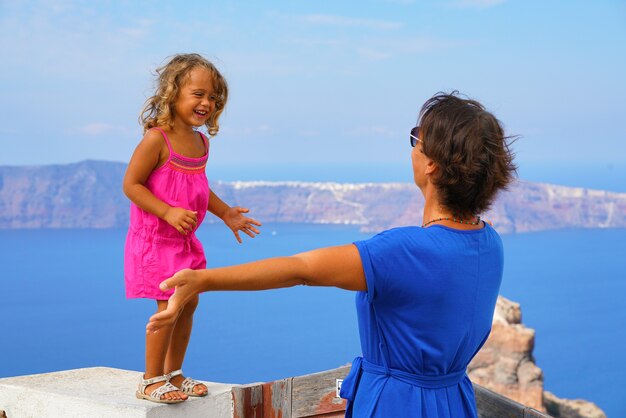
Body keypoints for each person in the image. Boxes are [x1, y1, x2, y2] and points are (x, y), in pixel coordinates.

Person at [146, 91, 517, 417]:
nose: (413, 146)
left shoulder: (404, 251)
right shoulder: (489, 244)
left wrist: (202, 280)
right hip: (454, 402)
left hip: (394, 404)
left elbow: (300, 269)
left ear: (432, 163)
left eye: (417, 138)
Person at [123, 53, 262, 404]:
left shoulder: (201, 143)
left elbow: (198, 187)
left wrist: (226, 213)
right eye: (198, 94)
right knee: (168, 307)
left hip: (184, 240)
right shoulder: (157, 140)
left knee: (189, 303)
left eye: (213, 97)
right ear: (173, 95)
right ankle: (150, 379)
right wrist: (167, 212)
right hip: (156, 241)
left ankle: (173, 373)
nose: (207, 103)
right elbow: (132, 185)